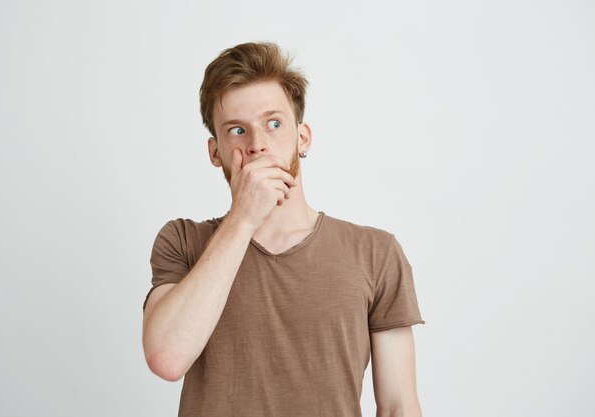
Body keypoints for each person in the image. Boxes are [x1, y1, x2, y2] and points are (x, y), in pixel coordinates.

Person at [141, 41, 426, 417]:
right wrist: (243, 218)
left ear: (302, 137)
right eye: (237, 130)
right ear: (215, 152)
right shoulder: (182, 241)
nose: (258, 145)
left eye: (274, 124)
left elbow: (398, 407)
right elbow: (167, 358)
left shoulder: (375, 252)